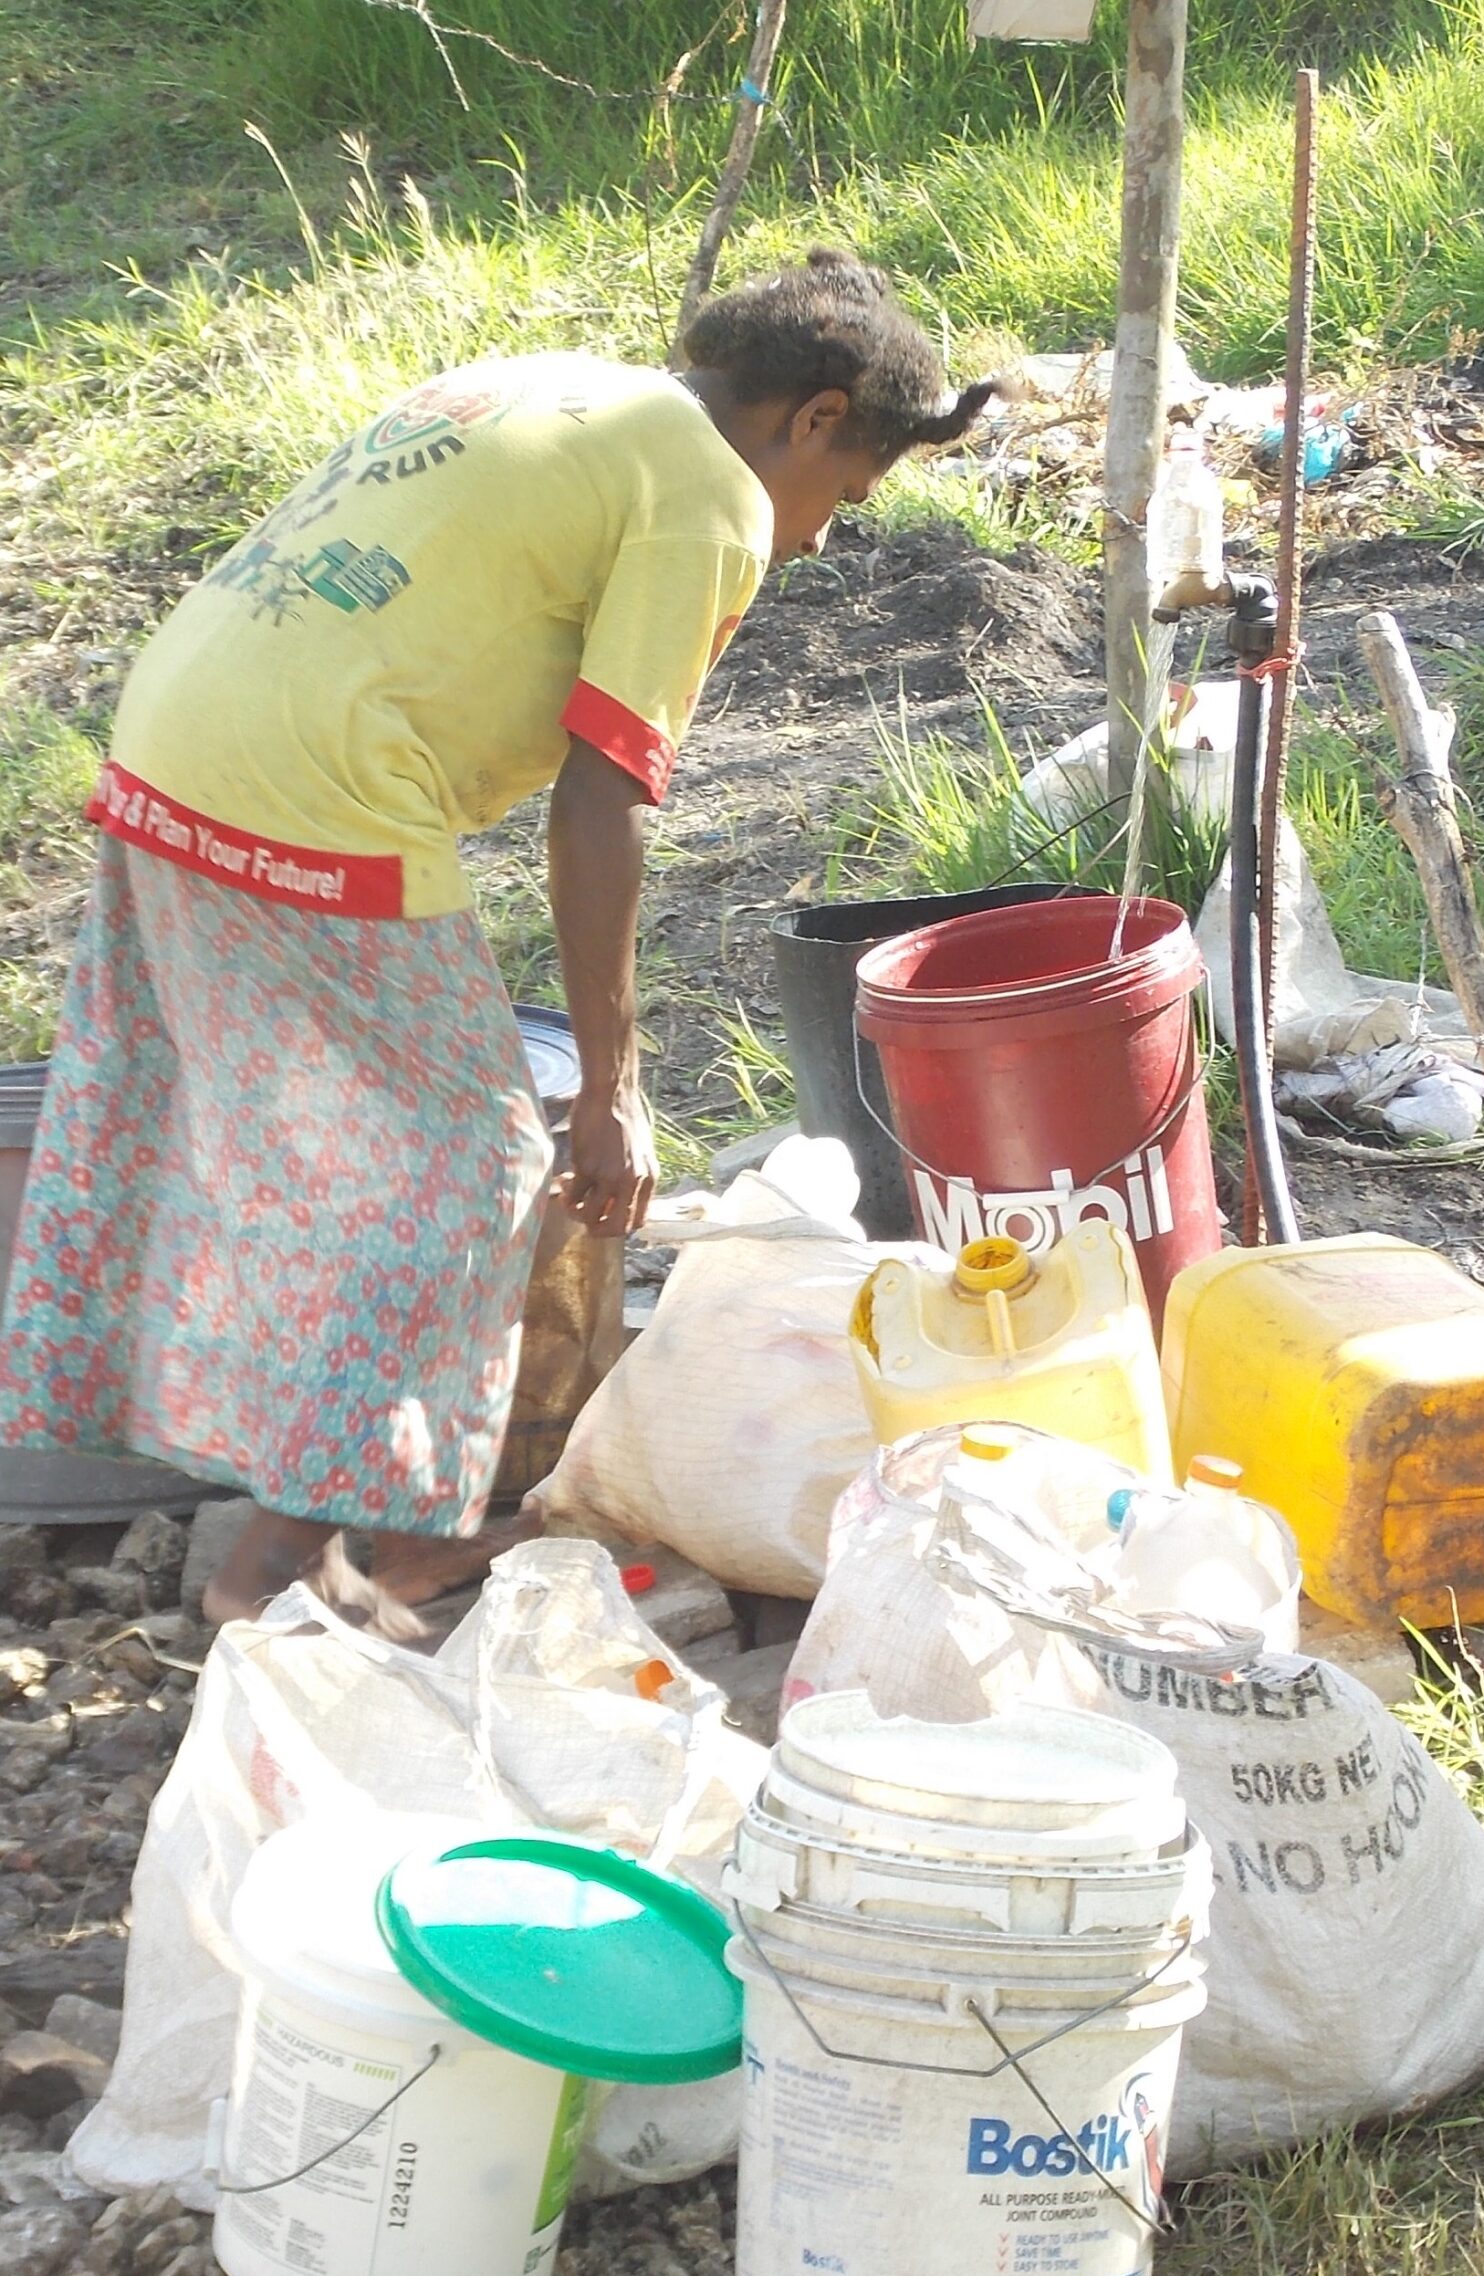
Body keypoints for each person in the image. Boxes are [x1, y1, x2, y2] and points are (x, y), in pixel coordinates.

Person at [0, 251, 992, 1625]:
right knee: (476, 1160)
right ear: (813, 418)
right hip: (310, 785)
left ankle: (228, 1471)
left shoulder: (554, 383)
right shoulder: (708, 493)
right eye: (848, 492)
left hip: (173, 737)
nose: (821, 537)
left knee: (255, 1122)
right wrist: (614, 1086)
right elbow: (602, 800)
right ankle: (293, 1567)